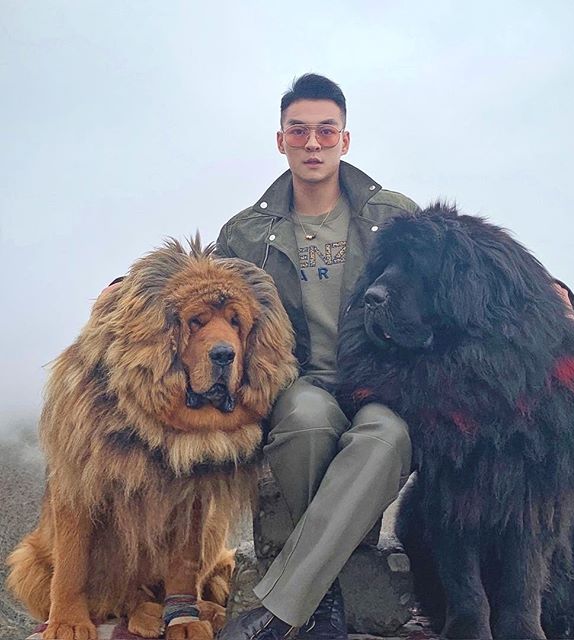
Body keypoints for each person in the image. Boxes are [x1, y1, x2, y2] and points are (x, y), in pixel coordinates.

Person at [213, 73, 420, 640]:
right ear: (280, 140)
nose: (312, 143)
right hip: (300, 379)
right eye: (298, 131)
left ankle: (285, 608)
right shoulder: (247, 232)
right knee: (304, 425)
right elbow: (197, 285)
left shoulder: (395, 215)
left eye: (326, 131)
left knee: (387, 438)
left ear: (345, 140)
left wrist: (555, 290)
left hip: (381, 381)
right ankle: (326, 592)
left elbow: (455, 271)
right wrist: (125, 283)